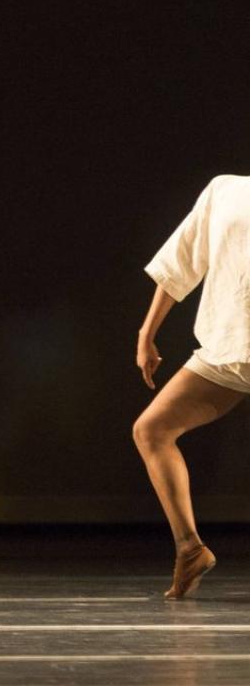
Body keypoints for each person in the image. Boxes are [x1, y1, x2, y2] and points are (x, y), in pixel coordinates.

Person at [133, 174, 250, 599]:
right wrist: (148, 331)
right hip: (230, 343)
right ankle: (190, 548)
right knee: (153, 430)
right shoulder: (226, 190)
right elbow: (181, 262)